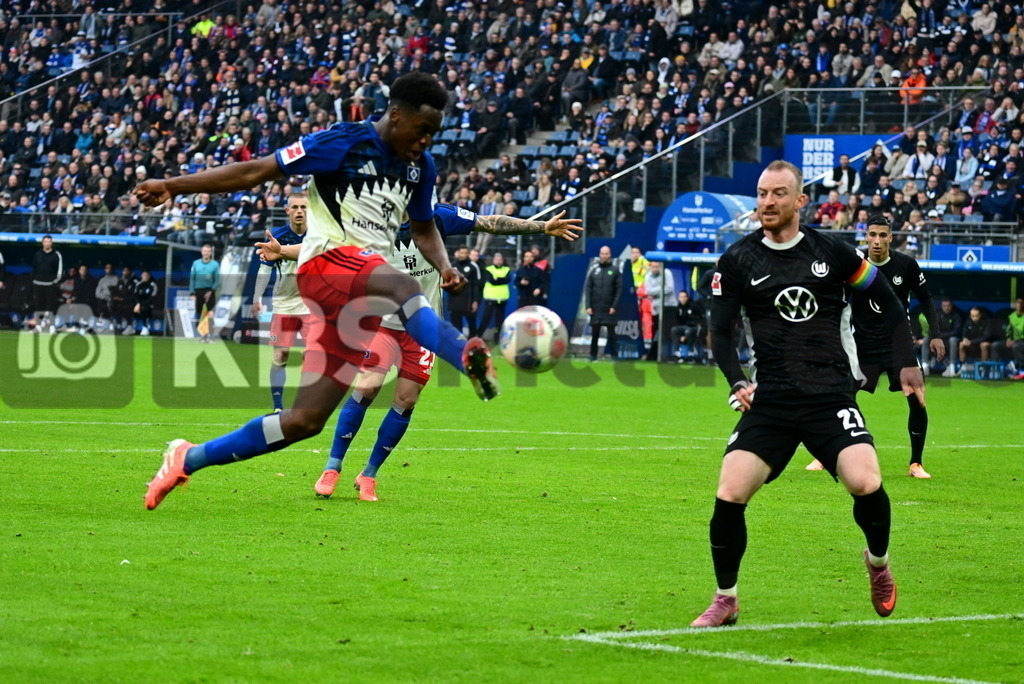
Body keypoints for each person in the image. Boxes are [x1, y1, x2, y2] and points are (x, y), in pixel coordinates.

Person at [136, 71, 499, 511]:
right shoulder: (341, 141)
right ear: (396, 115)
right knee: (402, 284)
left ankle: (186, 458)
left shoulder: (419, 167)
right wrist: (172, 186)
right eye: (422, 130)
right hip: (326, 265)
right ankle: (465, 357)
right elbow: (255, 170)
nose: (426, 141)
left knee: (304, 422)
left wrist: (444, 266)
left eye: (433, 134)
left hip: (358, 301)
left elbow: (424, 227)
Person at [691, 160, 923, 628]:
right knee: (730, 490)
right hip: (772, 399)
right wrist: (738, 381)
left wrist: (905, 358)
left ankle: (878, 565)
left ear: (800, 201)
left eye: (778, 194)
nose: (767, 203)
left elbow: (887, 301)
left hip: (830, 396)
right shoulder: (737, 260)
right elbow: (719, 331)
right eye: (761, 194)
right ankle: (725, 599)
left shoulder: (833, 252)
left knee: (867, 482)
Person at [311, 203, 581, 501]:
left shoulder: (438, 216)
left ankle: (369, 475)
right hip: (381, 323)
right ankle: (333, 467)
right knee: (367, 386)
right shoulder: (369, 220)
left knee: (406, 400)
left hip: (423, 326)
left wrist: (542, 227)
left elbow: (489, 222)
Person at [805, 216, 943, 479]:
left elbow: (926, 299)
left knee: (917, 400)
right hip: (864, 344)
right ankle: (824, 455)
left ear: (891, 237)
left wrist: (935, 334)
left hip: (899, 343)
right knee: (839, 396)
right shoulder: (854, 265)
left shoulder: (906, 265)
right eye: (872, 235)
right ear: (865, 237)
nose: (877, 241)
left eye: (882, 235)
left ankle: (916, 463)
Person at [250, 194, 310, 411]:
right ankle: (278, 406)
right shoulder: (277, 236)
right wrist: (256, 298)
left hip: (313, 305)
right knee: (280, 354)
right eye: (295, 207)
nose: (299, 211)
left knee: (312, 354)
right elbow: (264, 270)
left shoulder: (320, 236)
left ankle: (307, 404)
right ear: (287, 211)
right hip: (284, 304)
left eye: (303, 206)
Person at [586, 246, 621, 362]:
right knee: (595, 333)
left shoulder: (615, 270)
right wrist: (588, 306)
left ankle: (614, 356)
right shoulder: (594, 271)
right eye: (602, 254)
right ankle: (592, 356)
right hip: (596, 307)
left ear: (610, 254)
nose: (604, 256)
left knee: (612, 334)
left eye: (606, 254)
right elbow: (588, 289)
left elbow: (619, 290)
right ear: (599, 255)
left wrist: (614, 306)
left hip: (609, 308)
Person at [643, 261, 675, 361]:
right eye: (653, 267)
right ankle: (654, 354)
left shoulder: (667, 273)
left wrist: (656, 291)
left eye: (657, 266)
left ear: (660, 266)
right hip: (656, 308)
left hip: (669, 307)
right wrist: (661, 289)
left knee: (667, 332)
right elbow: (648, 291)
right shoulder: (648, 276)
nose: (655, 269)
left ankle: (669, 354)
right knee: (656, 331)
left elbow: (670, 288)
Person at [30, 235, 63, 332]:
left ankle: (52, 326)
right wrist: (34, 281)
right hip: (38, 284)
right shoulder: (37, 254)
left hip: (50, 284)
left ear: (51, 243)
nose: (47, 243)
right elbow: (33, 268)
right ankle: (38, 326)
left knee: (50, 306)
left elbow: (60, 270)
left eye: (49, 241)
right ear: (43, 243)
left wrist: (55, 281)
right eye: (46, 241)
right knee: (38, 305)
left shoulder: (57, 254)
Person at [447, 244, 481, 337]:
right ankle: (457, 344)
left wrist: (475, 301)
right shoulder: (452, 266)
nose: (463, 255)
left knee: (471, 323)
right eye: (461, 253)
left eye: (465, 253)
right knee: (456, 325)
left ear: (468, 254)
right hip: (454, 301)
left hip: (468, 301)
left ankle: (472, 345)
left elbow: (476, 285)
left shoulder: (473, 266)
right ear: (457, 253)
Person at [189, 243, 220, 342]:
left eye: (208, 251)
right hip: (198, 291)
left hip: (210, 290)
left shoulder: (215, 264)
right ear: (202, 252)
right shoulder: (196, 263)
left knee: (210, 313)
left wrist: (211, 290)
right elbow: (192, 279)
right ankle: (203, 335)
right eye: (204, 251)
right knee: (200, 313)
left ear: (210, 253)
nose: (206, 253)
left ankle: (211, 335)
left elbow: (217, 280)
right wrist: (192, 293)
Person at [479, 252, 511, 341]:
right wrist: (501, 279)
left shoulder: (507, 269)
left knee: (499, 321)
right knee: (486, 318)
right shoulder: (489, 269)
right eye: (497, 259)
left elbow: (507, 279)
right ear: (493, 260)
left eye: (500, 259)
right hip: (491, 298)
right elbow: (492, 281)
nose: (498, 261)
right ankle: (479, 335)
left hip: (502, 299)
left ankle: (497, 338)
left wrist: (498, 279)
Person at [993, 297, 1024, 380]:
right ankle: (994, 370)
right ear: (1015, 305)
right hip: (1014, 341)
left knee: (1016, 346)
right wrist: (1008, 340)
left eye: (1022, 303)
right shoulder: (1012, 316)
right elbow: (1008, 331)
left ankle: (1021, 371)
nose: (1020, 305)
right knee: (995, 345)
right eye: (1018, 303)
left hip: (1021, 342)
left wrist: (1015, 341)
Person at [670, 290, 704, 362]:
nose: (682, 299)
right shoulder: (678, 308)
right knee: (674, 329)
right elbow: (677, 321)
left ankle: (690, 353)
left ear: (687, 297)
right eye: (681, 297)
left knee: (688, 331)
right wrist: (680, 336)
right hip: (683, 327)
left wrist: (685, 336)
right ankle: (677, 353)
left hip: (693, 327)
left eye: (684, 297)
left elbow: (699, 319)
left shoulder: (693, 306)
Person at [132, 270, 159, 335]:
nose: (145, 277)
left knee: (145, 309)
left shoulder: (152, 285)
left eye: (146, 275)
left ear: (149, 276)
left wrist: (140, 304)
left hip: (150, 304)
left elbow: (153, 297)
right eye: (144, 275)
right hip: (139, 304)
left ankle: (145, 327)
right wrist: (138, 304)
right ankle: (130, 326)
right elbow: (135, 296)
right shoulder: (139, 284)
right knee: (128, 307)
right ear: (141, 276)